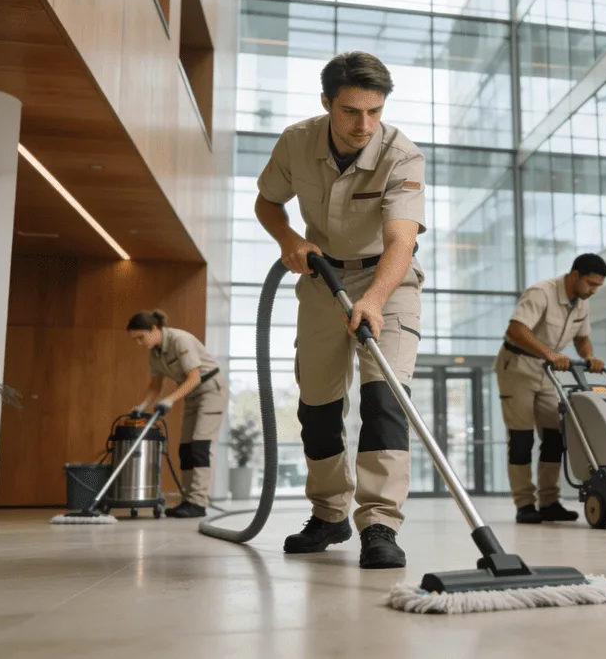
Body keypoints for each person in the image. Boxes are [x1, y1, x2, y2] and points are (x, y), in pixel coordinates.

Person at [254, 51, 425, 569]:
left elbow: (400, 240)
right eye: (351, 111)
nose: (364, 125)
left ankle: (379, 524)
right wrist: (289, 240)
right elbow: (267, 202)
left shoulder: (402, 155)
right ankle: (329, 514)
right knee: (318, 406)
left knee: (385, 400)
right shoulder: (297, 142)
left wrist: (373, 298)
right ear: (326, 102)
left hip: (388, 281)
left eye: (374, 111)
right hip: (321, 277)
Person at [494, 254, 606, 524]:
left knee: (555, 436)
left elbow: (582, 338)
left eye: (597, 286)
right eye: (591, 284)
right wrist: (549, 353)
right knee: (522, 438)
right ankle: (524, 504)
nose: (593, 290)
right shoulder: (541, 293)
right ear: (574, 276)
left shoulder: (581, 303)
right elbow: (516, 330)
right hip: (518, 367)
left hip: (548, 371)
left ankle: (549, 502)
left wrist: (590, 356)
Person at [127, 310, 226, 518]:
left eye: (140, 337)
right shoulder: (154, 352)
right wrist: (142, 406)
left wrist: (170, 400)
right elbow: (155, 386)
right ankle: (188, 501)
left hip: (210, 389)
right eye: (135, 339)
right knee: (185, 448)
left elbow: (194, 377)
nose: (138, 343)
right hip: (191, 393)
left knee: (200, 445)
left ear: (154, 329)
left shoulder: (180, 340)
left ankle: (198, 502)